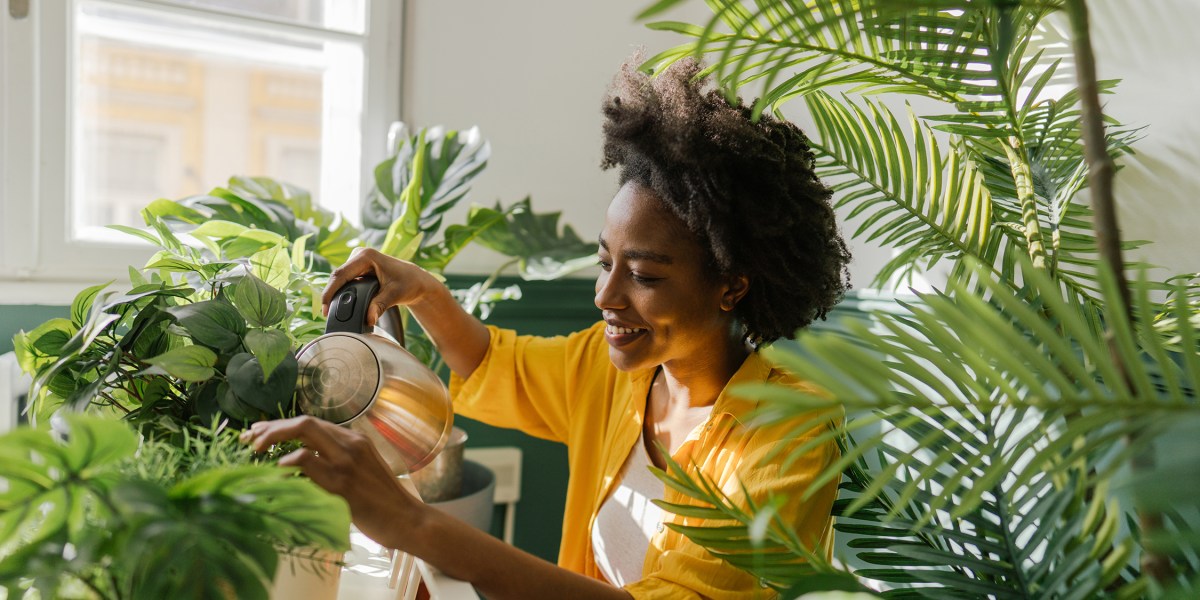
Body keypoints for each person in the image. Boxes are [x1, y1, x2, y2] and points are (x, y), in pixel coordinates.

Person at [241, 56, 852, 599]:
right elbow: (492, 362)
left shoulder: (790, 433)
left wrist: (415, 524)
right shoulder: (616, 372)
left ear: (732, 285)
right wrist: (425, 290)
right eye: (604, 262)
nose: (605, 296)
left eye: (642, 275)